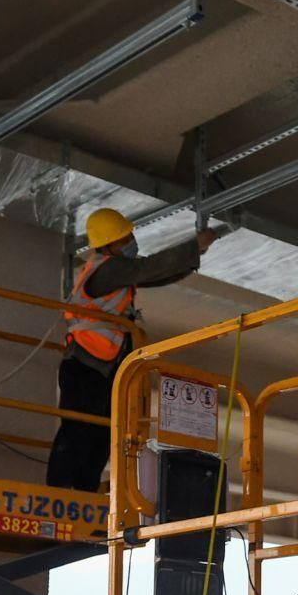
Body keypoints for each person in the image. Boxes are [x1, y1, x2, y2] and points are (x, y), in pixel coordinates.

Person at [47, 208, 217, 492]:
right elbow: (148, 269)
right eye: (125, 238)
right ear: (108, 243)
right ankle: (59, 492)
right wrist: (193, 246)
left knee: (100, 433)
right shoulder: (108, 269)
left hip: (102, 366)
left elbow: (154, 275)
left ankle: (83, 494)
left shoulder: (116, 272)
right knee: (79, 429)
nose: (131, 242)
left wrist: (192, 257)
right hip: (86, 364)